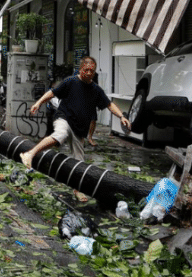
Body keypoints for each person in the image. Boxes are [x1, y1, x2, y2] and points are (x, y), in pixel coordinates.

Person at [20, 56, 130, 190]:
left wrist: (121, 116)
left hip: (79, 129)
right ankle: (29, 154)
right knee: (61, 134)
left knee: (79, 164)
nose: (89, 73)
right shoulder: (70, 81)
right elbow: (52, 93)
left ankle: (77, 190)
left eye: (92, 71)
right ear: (80, 69)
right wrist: (38, 103)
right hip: (64, 118)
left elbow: (109, 104)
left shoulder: (96, 90)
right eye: (86, 70)